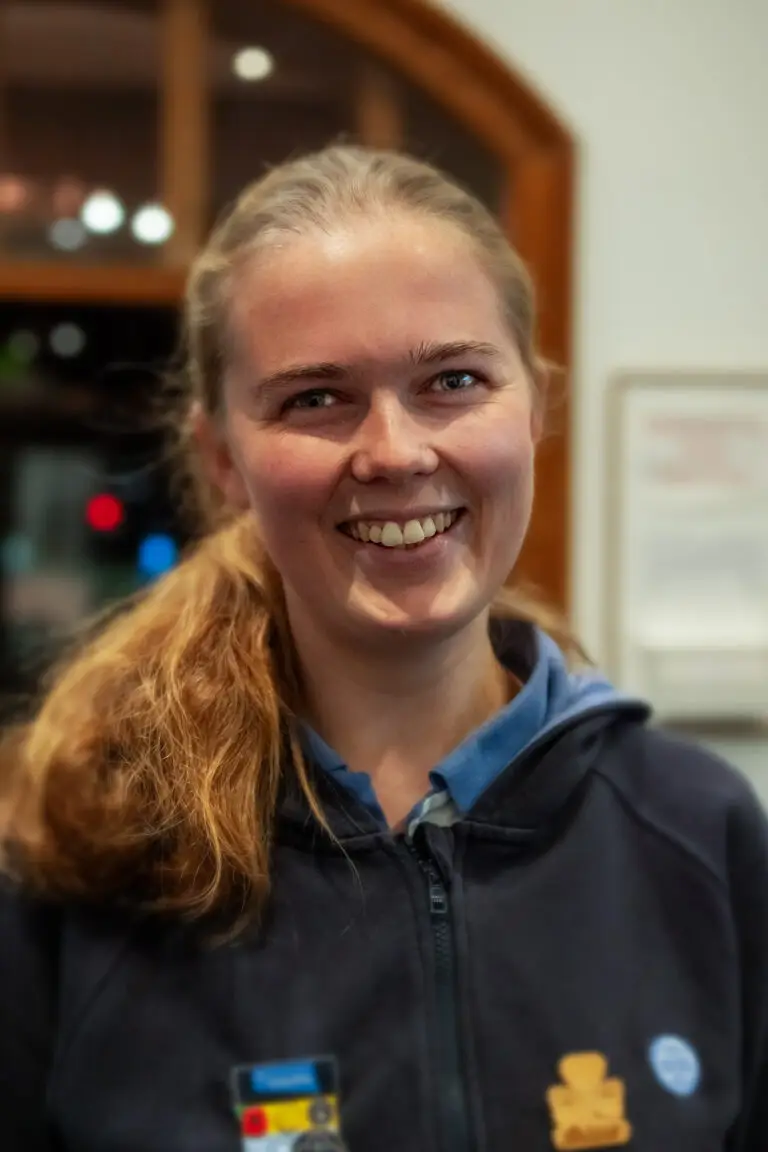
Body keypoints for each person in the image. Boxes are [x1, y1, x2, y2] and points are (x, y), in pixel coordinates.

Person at [0, 144, 765, 1152]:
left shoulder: (697, 834)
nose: (398, 452)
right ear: (222, 456)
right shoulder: (78, 848)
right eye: (316, 398)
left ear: (532, 404)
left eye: (452, 379)